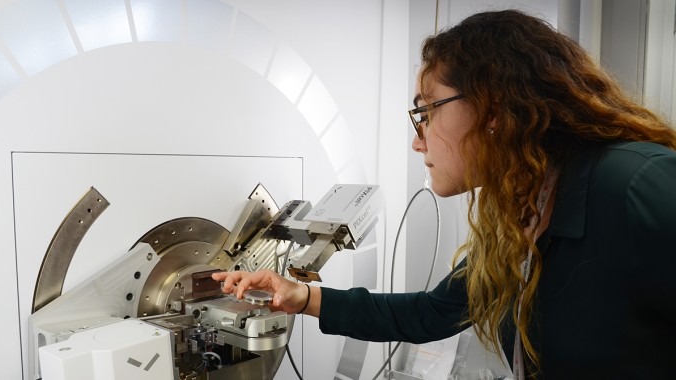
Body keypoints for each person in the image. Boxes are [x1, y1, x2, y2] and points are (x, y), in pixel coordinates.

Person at [212, 9, 676, 379]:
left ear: (492, 109)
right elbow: (432, 314)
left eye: (426, 113)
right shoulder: (521, 217)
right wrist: (302, 297)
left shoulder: (634, 183)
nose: (418, 140)